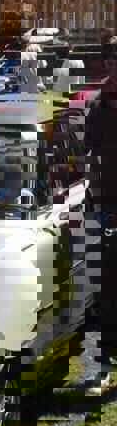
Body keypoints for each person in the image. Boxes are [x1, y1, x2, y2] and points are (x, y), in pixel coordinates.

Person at [84, 35, 117, 391]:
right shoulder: (99, 105)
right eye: (109, 58)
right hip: (108, 204)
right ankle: (105, 363)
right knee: (107, 287)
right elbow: (89, 151)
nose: (112, 64)